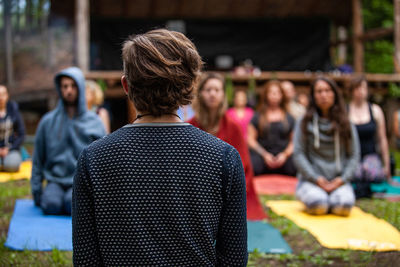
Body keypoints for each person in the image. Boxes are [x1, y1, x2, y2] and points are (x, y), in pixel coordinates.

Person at [72, 29, 248, 266]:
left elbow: (85, 260)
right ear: (192, 86)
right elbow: (234, 259)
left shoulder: (94, 159)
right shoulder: (223, 158)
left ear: (126, 86)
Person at [188, 72, 267, 221]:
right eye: (208, 90)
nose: (212, 94)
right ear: (200, 94)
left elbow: (242, 162)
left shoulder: (233, 127)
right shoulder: (191, 126)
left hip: (226, 184)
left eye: (217, 90)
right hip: (198, 185)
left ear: (223, 95)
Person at [31, 67, 106, 216]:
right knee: (51, 205)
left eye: (73, 86)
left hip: (80, 182)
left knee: (71, 204)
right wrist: (37, 191)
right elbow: (38, 159)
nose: (69, 90)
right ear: (60, 89)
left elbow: (103, 160)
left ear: (80, 88)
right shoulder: (48, 122)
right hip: (55, 181)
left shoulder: (94, 122)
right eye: (65, 86)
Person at [294, 77, 360, 216]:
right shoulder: (304, 122)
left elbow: (354, 155)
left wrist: (342, 180)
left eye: (327, 90)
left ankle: (334, 197)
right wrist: (316, 179)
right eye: (319, 91)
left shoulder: (346, 123)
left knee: (343, 207)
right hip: (312, 181)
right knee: (318, 205)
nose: (323, 95)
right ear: (313, 96)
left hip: (338, 181)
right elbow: (298, 154)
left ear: (334, 94)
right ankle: (315, 196)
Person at [348, 76, 391, 197]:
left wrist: (386, 164)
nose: (360, 91)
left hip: (370, 155)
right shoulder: (345, 111)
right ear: (351, 90)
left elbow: (382, 139)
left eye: (363, 88)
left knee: (371, 172)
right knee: (355, 173)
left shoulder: (375, 110)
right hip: (351, 156)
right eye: (357, 88)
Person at [248, 80, 297, 176]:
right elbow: (250, 140)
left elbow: (294, 141)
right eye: (271, 92)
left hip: (283, 156)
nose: (274, 95)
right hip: (262, 155)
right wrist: (264, 154)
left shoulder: (289, 117)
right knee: (253, 167)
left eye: (277, 93)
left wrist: (284, 155)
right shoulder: (257, 116)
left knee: (294, 167)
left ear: (282, 95)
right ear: (266, 95)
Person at [0, 85, 25, 172]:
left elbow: (21, 134)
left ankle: (5, 164)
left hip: (11, 149)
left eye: (3, 94)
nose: (1, 97)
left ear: (7, 95)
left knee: (12, 165)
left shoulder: (14, 111)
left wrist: (9, 149)